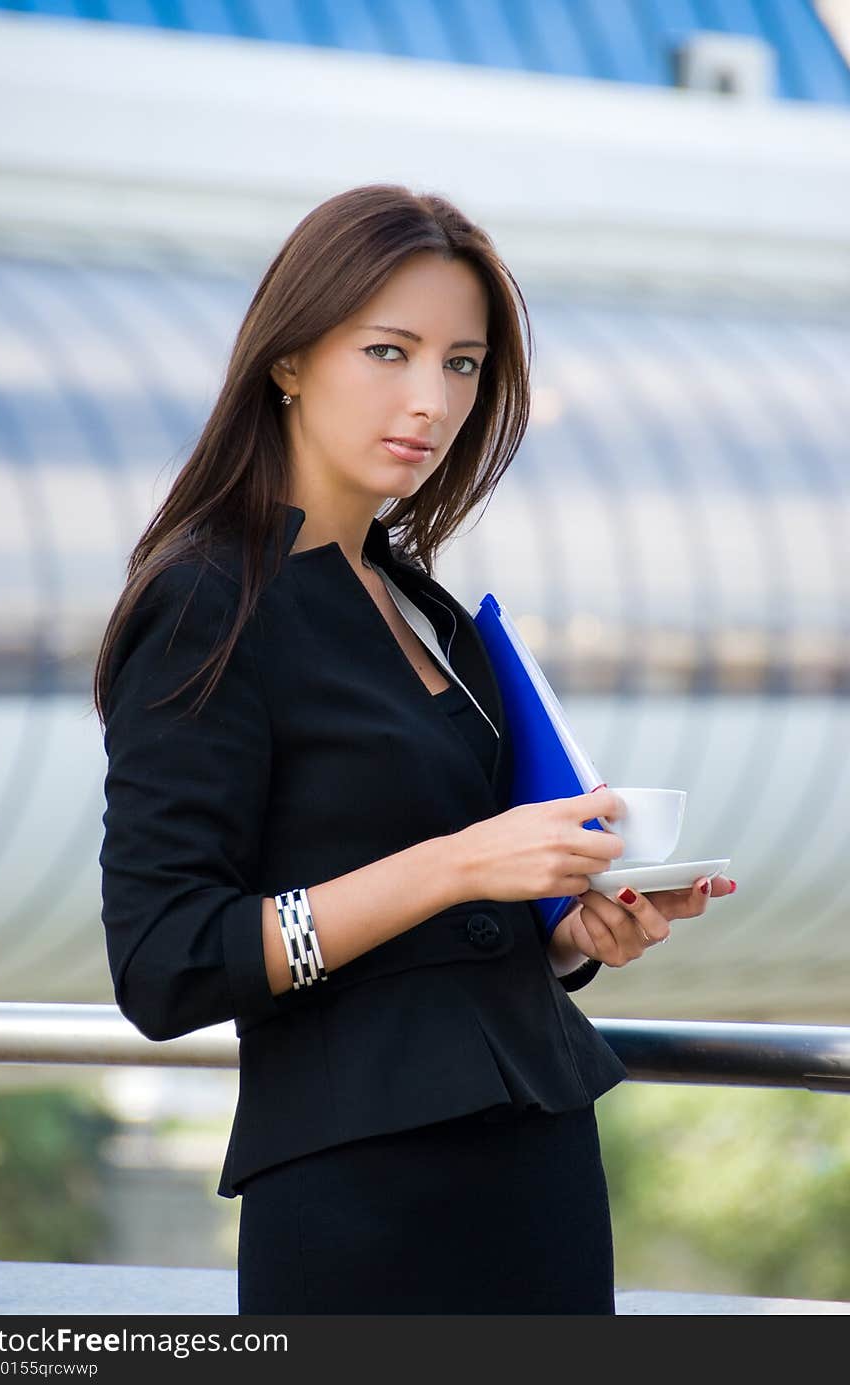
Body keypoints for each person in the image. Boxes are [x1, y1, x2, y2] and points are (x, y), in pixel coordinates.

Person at [95, 183, 733, 1315]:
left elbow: (441, 947)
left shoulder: (420, 605)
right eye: (388, 351)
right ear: (287, 360)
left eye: (462, 364)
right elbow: (165, 960)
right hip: (363, 1200)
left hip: (536, 1166)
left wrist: (568, 935)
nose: (430, 398)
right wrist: (463, 861)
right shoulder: (209, 601)